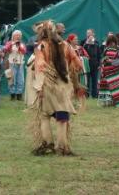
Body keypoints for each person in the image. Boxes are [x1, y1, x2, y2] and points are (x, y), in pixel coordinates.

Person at [27, 20, 82, 156]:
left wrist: (39, 87)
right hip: (63, 85)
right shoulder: (66, 45)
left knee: (45, 115)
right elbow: (78, 64)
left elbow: (40, 66)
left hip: (48, 85)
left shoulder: (41, 47)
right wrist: (69, 72)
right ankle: (62, 147)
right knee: (62, 116)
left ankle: (48, 144)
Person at [98, 34, 119, 108]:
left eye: (113, 42)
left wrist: (111, 61)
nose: (111, 44)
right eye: (110, 42)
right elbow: (102, 59)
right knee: (107, 88)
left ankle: (118, 102)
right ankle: (108, 102)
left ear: (115, 42)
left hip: (116, 72)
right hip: (107, 72)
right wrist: (104, 60)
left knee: (117, 88)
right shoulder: (106, 49)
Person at [66, 34, 90, 106]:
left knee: (82, 85)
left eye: (77, 39)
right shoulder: (67, 48)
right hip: (71, 70)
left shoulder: (80, 48)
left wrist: (81, 59)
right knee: (72, 86)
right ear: (70, 40)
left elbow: (87, 57)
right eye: (75, 39)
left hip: (81, 70)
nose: (77, 40)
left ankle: (80, 102)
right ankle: (71, 102)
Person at [4, 30, 26, 101]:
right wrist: (12, 44)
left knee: (21, 80)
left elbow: (24, 51)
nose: (18, 36)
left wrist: (19, 46)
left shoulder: (22, 44)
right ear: (13, 36)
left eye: (19, 35)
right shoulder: (10, 43)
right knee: (12, 79)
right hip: (12, 63)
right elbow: (6, 49)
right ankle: (12, 94)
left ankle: (19, 94)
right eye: (16, 35)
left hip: (20, 63)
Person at [82, 29, 101, 98]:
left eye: (90, 33)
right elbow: (81, 52)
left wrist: (99, 64)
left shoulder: (96, 43)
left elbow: (99, 55)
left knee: (94, 80)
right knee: (87, 80)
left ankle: (94, 95)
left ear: (93, 34)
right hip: (87, 65)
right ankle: (86, 94)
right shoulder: (84, 42)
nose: (88, 35)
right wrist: (86, 44)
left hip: (95, 64)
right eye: (87, 33)